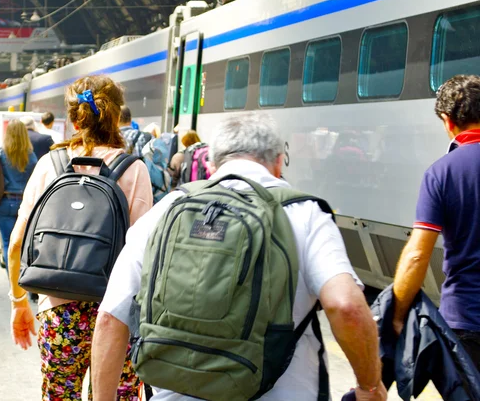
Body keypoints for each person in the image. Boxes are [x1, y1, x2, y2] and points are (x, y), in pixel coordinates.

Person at [91, 114, 387, 401]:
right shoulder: (307, 213)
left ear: (211, 162)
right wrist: (369, 386)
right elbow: (346, 306)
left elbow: (109, 318)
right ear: (279, 162)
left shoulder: (166, 209)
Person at [7, 76, 153, 401]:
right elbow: (145, 254)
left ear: (73, 118)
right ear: (116, 115)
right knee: (117, 395)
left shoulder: (50, 165)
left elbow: (17, 242)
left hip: (58, 312)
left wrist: (20, 303)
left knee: (59, 396)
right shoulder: (134, 169)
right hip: (116, 312)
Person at [393, 74, 480, 368]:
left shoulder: (442, 172)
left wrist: (397, 313)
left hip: (467, 320)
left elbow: (417, 255)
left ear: (448, 120)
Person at [0, 120, 37, 269]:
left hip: (5, 202)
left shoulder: (0, 153)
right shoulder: (31, 155)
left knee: (7, 242)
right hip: (26, 204)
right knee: (24, 243)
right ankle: (24, 280)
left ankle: (13, 285)